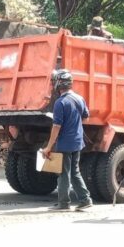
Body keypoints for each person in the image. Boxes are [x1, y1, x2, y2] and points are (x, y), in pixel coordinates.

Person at [42, 69, 93, 211]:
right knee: (75, 171)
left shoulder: (60, 102)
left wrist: (48, 147)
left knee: (63, 173)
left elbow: (56, 126)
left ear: (59, 83)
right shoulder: (79, 98)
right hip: (77, 142)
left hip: (65, 143)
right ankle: (85, 200)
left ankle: (64, 203)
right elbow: (85, 117)